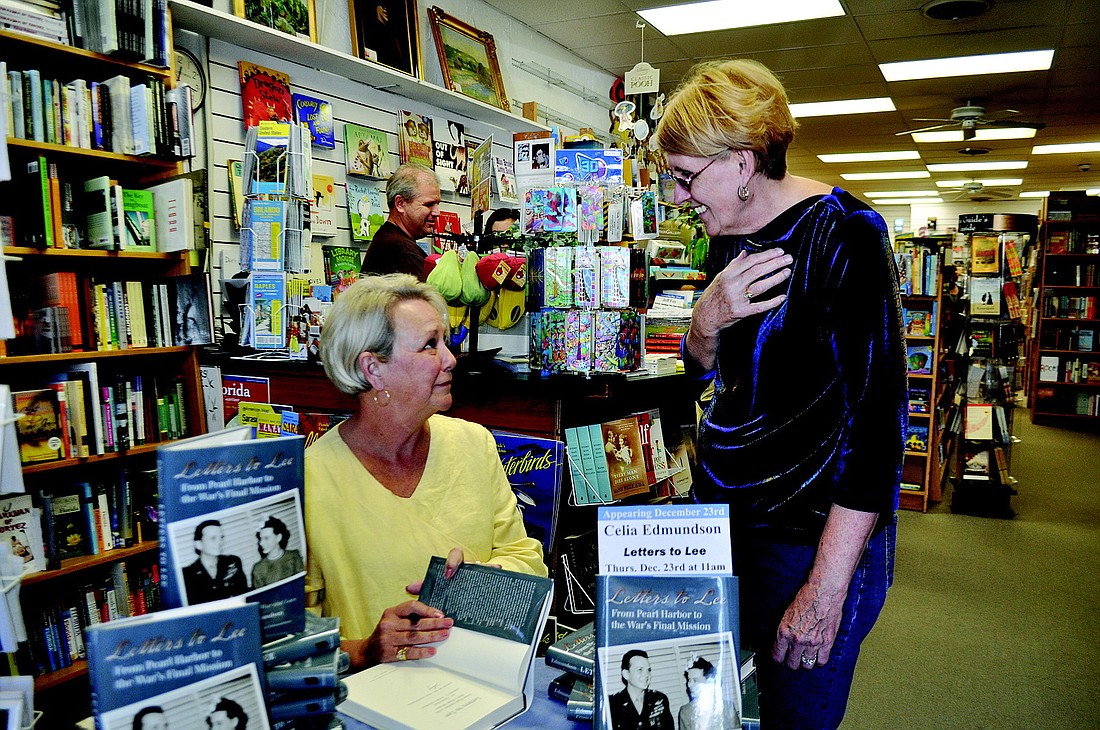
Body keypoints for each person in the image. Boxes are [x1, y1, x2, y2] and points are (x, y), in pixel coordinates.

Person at [654, 58, 906, 729]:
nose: (677, 199)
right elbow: (708, 386)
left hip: (809, 543)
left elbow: (879, 432)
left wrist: (825, 592)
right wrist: (704, 326)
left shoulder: (847, 234)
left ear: (740, 163)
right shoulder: (727, 238)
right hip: (720, 532)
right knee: (704, 715)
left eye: (684, 178)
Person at [304, 274, 546, 670]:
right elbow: (286, 640)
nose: (451, 359)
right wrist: (364, 651)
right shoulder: (312, 482)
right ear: (373, 368)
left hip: (481, 678)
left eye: (444, 342)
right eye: (430, 345)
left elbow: (525, 558)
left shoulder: (473, 443)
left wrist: (484, 584)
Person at [361, 164, 441, 280]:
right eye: (429, 204)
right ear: (400, 203)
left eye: (437, 204)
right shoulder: (400, 251)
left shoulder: (390, 242)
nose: (437, 212)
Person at [182, 520, 248, 603]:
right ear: (199, 544)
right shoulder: (187, 574)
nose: (220, 542)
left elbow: (244, 595)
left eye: (221, 537)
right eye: (213, 538)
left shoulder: (233, 562)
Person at [608, 649, 674, 730]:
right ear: (626, 674)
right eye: (640, 670)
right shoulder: (613, 704)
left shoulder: (659, 699)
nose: (646, 675)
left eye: (648, 670)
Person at [677, 656, 738, 730]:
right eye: (689, 680)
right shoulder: (685, 712)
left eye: (695, 680)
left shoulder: (728, 708)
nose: (689, 685)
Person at [251, 515, 304, 588]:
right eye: (261, 538)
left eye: (266, 538)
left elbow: (302, 584)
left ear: (278, 537)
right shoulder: (258, 569)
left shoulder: (294, 556)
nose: (261, 543)